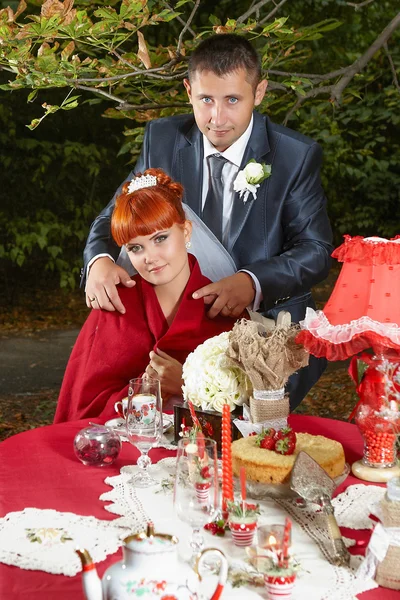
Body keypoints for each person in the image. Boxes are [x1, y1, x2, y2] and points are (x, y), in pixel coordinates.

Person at [82, 33, 333, 410]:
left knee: (246, 448)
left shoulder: (294, 156)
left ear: (259, 92)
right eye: (206, 100)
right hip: (178, 325)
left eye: (233, 99)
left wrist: (252, 282)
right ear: (188, 90)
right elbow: (116, 215)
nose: (217, 118)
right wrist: (98, 261)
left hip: (262, 330)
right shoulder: (164, 139)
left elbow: (316, 250)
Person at [54, 169, 241, 423]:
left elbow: (250, 416)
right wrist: (147, 387)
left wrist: (185, 383)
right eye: (135, 247)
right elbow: (83, 410)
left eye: (160, 238)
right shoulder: (115, 304)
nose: (150, 258)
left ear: (186, 232)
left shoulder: (225, 309)